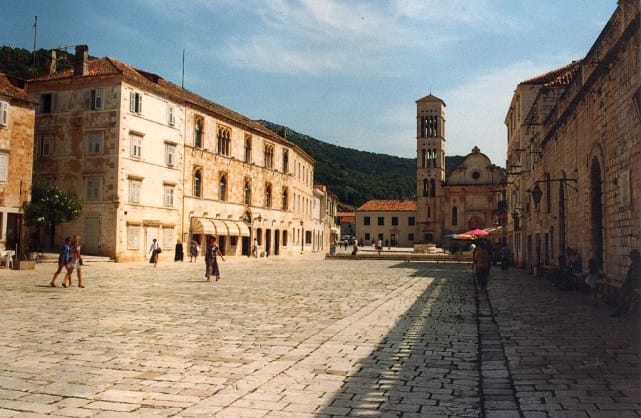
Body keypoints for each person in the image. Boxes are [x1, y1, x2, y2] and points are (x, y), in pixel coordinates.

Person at [611, 249, 641, 317]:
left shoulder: (634, 264)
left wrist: (624, 283)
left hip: (633, 283)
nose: (629, 256)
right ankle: (625, 308)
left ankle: (619, 310)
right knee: (628, 295)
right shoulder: (636, 263)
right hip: (636, 283)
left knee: (622, 294)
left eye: (631, 255)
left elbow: (629, 276)